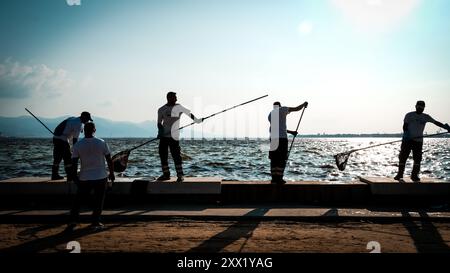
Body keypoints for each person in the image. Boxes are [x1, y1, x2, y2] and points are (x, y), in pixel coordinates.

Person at [66, 122, 115, 232]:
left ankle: (73, 221)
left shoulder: (78, 145)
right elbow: (109, 160)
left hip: (84, 177)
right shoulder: (101, 142)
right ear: (94, 130)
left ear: (84, 130)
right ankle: (95, 222)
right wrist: (111, 173)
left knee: (78, 201)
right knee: (99, 201)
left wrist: (74, 177)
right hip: (101, 177)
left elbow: (73, 163)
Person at [394, 100, 449, 182]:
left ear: (424, 108)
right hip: (407, 140)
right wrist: (407, 135)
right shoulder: (409, 115)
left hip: (418, 141)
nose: (420, 108)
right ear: (415, 106)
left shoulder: (426, 116)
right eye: (419, 106)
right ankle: (400, 174)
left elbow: (436, 122)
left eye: (422, 107)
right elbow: (405, 126)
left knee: (417, 159)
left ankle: (414, 175)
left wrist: (446, 127)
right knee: (403, 157)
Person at [157, 92, 202, 182]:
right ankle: (166, 175)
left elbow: (189, 114)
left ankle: (180, 175)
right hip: (164, 137)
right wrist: (160, 131)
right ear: (169, 98)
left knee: (176, 155)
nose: (176, 99)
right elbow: (159, 123)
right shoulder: (161, 109)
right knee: (163, 155)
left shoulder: (179, 107)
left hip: (174, 136)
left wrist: (197, 120)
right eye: (175, 97)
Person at [268, 101, 308, 184]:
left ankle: (274, 178)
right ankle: (279, 178)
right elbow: (296, 108)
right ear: (280, 106)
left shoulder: (270, 114)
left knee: (274, 159)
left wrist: (291, 132)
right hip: (282, 139)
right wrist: (303, 104)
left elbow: (279, 128)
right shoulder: (282, 109)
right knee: (282, 158)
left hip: (273, 139)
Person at [51, 111, 93, 181]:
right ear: (84, 117)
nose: (88, 121)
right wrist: (75, 150)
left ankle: (54, 175)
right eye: (88, 119)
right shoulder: (78, 124)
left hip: (56, 138)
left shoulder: (73, 119)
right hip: (62, 140)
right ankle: (70, 176)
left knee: (57, 158)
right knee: (68, 158)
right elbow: (75, 140)